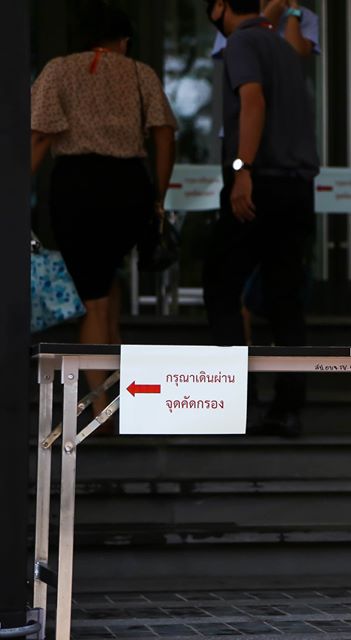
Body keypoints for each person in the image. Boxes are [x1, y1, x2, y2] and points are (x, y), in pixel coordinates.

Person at [30, 5, 177, 420]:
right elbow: (164, 135)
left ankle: (102, 410)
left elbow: (40, 135)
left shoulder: (59, 70)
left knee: (93, 299)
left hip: (77, 186)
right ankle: (114, 396)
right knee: (106, 287)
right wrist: (158, 196)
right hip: (128, 185)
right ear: (123, 40)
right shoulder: (140, 73)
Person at [202, 0, 320, 437]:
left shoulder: (242, 43)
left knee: (220, 285)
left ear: (220, 7)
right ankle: (287, 408)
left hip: (259, 183)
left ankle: (236, 403)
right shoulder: (285, 48)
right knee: (285, 297)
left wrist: (242, 170)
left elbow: (252, 102)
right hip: (296, 187)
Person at [212, 0, 321, 59]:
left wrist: (293, 13)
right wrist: (267, 19)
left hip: (286, 89)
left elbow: (295, 54)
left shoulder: (306, 16)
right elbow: (234, 56)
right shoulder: (234, 12)